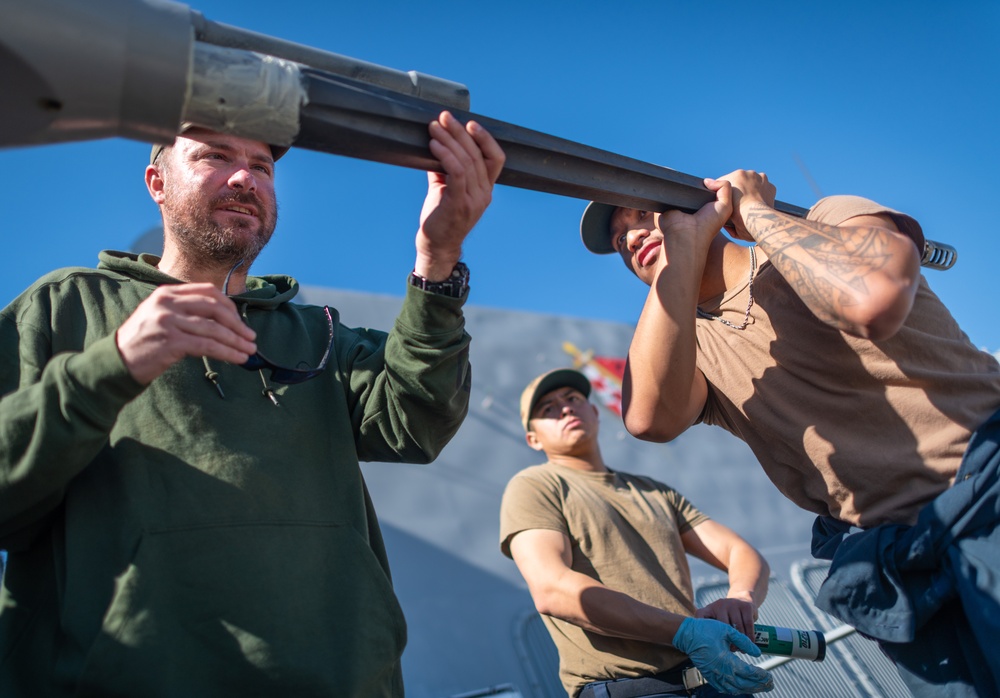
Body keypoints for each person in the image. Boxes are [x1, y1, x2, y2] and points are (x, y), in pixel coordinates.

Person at [0, 111, 504, 697]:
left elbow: (414, 424)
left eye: (261, 166)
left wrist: (437, 260)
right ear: (157, 184)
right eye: (216, 155)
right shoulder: (66, 306)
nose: (246, 178)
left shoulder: (322, 336)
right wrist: (114, 364)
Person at [578, 172, 1000, 697]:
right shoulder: (694, 352)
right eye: (621, 240)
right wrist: (678, 258)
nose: (632, 237)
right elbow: (648, 420)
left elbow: (872, 300)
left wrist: (755, 212)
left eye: (641, 214)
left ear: (703, 202)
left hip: (986, 494)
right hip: (902, 567)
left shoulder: (829, 219)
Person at [499, 368, 774, 698]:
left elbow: (738, 552)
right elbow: (552, 589)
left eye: (573, 399)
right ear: (533, 438)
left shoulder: (654, 492)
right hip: (631, 689)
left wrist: (742, 596)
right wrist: (683, 630)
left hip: (710, 678)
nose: (566, 408)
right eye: (548, 409)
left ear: (595, 412)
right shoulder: (534, 487)